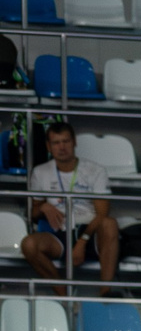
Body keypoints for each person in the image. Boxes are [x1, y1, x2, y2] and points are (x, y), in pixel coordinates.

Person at [21, 122, 116, 294]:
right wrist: (43, 207)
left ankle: (106, 292)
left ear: (74, 143)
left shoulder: (96, 170)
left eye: (66, 141)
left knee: (110, 224)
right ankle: (63, 294)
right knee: (28, 244)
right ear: (48, 146)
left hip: (90, 231)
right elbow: (33, 213)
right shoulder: (40, 172)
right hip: (59, 232)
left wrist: (82, 241)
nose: (62, 147)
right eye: (56, 143)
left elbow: (103, 214)